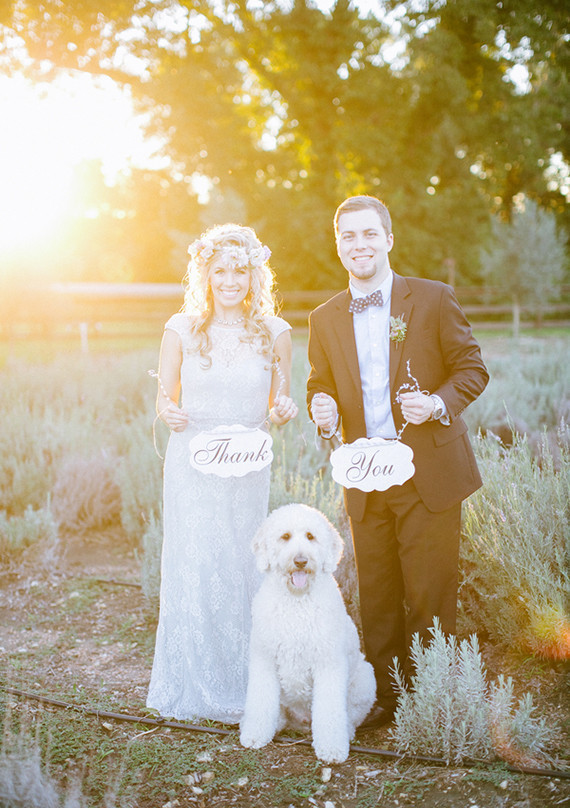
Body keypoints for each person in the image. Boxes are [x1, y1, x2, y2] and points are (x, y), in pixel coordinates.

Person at [307, 195, 489, 728]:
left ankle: (434, 701)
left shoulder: (432, 298)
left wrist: (436, 404)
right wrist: (322, 408)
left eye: (369, 233)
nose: (359, 244)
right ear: (338, 245)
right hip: (364, 477)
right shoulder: (323, 317)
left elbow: (472, 369)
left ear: (388, 239)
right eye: (348, 236)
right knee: (378, 593)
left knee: (431, 593)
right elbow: (320, 383)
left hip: (428, 472)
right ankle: (386, 698)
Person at [147, 223, 298, 724]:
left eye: (240, 271)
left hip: (246, 468)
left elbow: (281, 401)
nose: (230, 281)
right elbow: (164, 396)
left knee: (242, 564)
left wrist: (283, 411)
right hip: (192, 466)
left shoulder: (276, 332)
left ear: (255, 276)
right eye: (220, 271)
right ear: (205, 275)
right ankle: (192, 681)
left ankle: (245, 680)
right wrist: (168, 412)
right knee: (196, 564)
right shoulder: (181, 329)